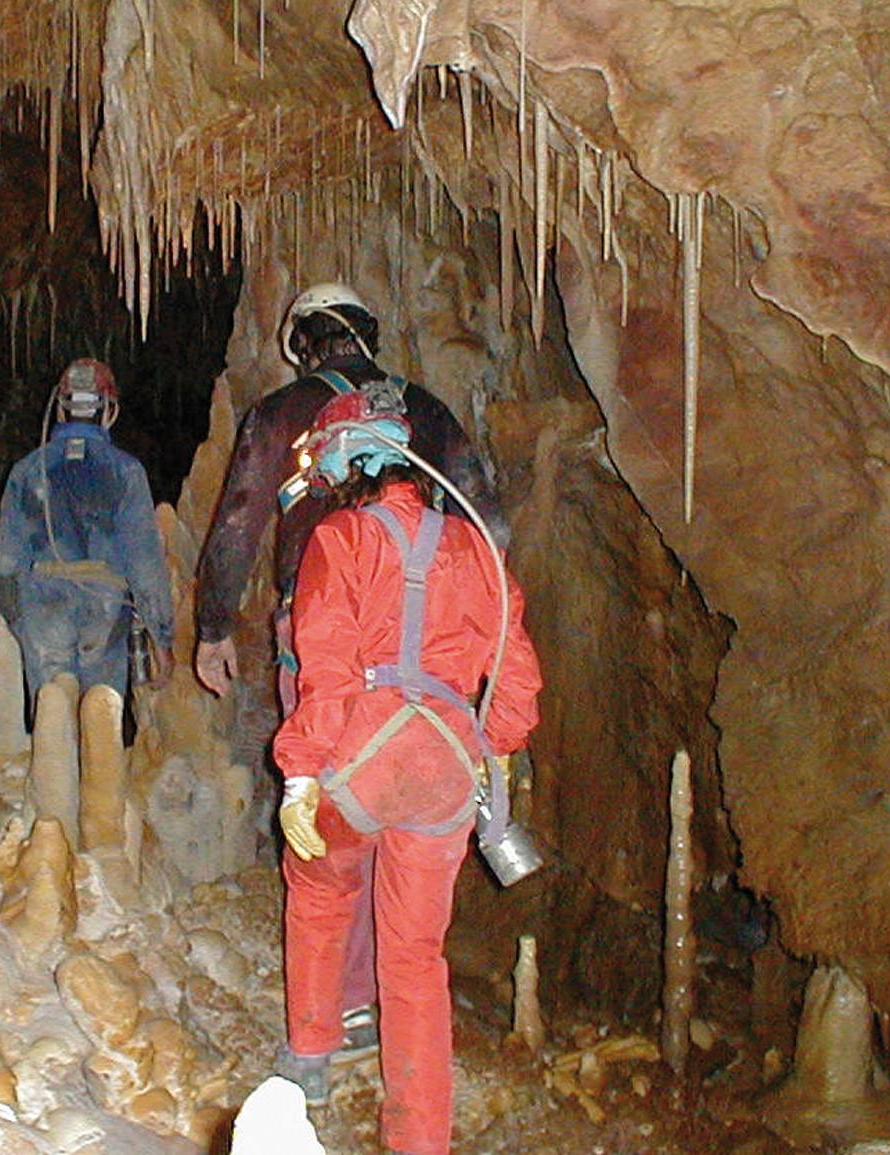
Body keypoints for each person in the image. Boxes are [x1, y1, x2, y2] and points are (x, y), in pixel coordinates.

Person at [192, 282, 506, 1056]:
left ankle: (338, 1011)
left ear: (302, 342)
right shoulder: (426, 412)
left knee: (333, 809)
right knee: (407, 813)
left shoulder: (282, 413)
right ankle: (393, 1000)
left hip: (321, 629)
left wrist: (214, 624)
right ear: (368, 333)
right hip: (426, 644)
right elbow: (488, 521)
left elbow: (239, 518)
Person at [270, 387, 543, 1155]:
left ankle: (310, 1060)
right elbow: (517, 677)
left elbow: (325, 667)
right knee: (417, 956)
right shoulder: (477, 549)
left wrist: (300, 775)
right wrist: (492, 745)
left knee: (320, 892)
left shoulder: (340, 538)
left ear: (344, 465)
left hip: (362, 749)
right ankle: (421, 1135)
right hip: (447, 765)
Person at [0, 359, 173, 710]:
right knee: (98, 719)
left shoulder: (26, 471)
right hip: (104, 611)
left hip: (43, 610)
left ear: (60, 409)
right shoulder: (126, 472)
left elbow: (6, 562)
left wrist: (4, 632)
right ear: (109, 411)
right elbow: (145, 563)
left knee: (52, 719)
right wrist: (161, 639)